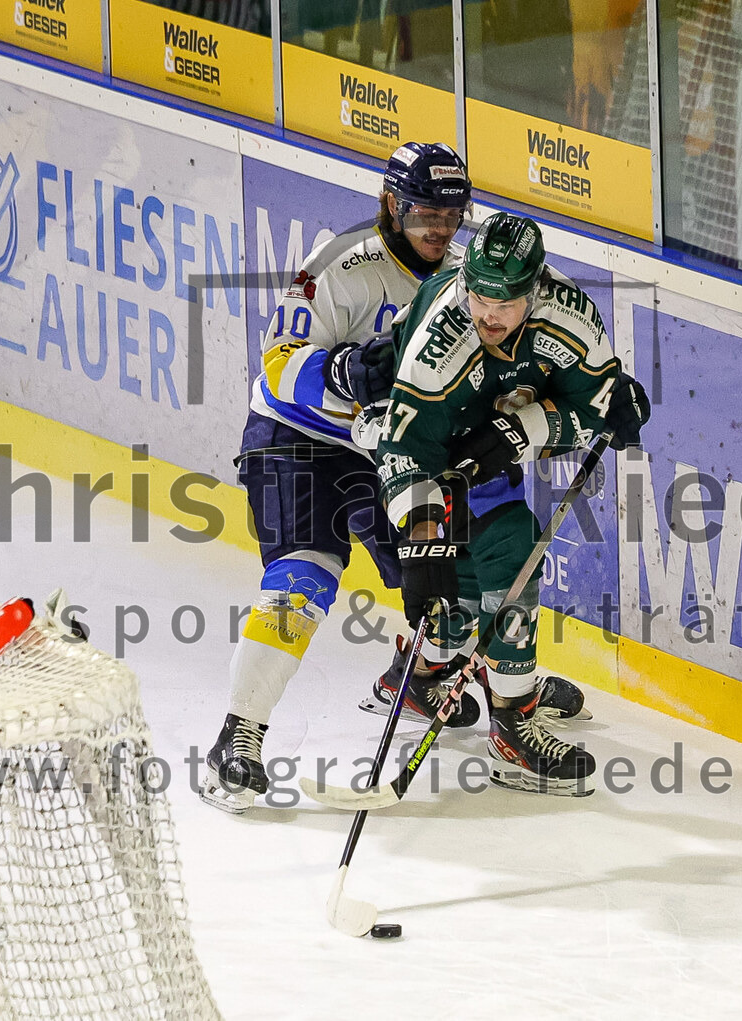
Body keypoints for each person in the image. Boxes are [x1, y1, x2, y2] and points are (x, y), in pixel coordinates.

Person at [200, 142, 476, 814]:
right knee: (305, 575)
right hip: (299, 440)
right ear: (391, 204)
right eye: (423, 214)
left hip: (387, 451)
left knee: (451, 577)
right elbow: (276, 363)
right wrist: (342, 372)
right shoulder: (341, 267)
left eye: (452, 214)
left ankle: (432, 678)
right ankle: (239, 735)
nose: (439, 229)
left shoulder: (468, 277)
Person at [374, 210, 650, 796]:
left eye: (503, 302)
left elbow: (596, 409)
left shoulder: (571, 317)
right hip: (407, 425)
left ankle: (437, 672)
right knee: (484, 550)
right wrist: (422, 535)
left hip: (483, 433)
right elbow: (404, 445)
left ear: (535, 290)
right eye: (477, 294)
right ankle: (509, 716)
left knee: (500, 544)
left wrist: (529, 425)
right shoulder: (443, 333)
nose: (486, 313)